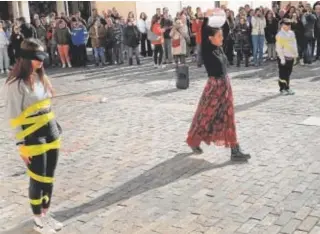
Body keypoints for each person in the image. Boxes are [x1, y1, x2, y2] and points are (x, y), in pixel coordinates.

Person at [4, 38, 63, 234]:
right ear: (26, 59)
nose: (41, 62)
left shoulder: (40, 76)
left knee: (49, 178)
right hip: (32, 136)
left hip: (51, 131)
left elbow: (47, 103)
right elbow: (13, 116)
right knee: (37, 178)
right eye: (37, 59)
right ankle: (38, 220)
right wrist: (20, 145)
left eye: (42, 57)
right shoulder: (15, 84)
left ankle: (45, 215)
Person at [186, 9, 251, 161]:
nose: (222, 38)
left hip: (225, 85)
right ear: (210, 38)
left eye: (222, 35)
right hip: (214, 87)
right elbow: (203, 31)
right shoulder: (208, 50)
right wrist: (207, 18)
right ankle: (193, 140)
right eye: (219, 36)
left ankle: (235, 150)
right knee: (205, 116)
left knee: (229, 117)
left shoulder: (220, 47)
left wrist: (226, 17)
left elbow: (226, 31)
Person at [276, 18, 298, 95]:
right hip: (284, 57)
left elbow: (294, 44)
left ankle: (287, 87)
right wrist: (282, 59)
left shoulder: (291, 33)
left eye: (289, 24)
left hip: (291, 56)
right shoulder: (279, 35)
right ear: (282, 25)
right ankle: (282, 88)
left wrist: (295, 55)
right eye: (287, 24)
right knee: (283, 74)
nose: (289, 26)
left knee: (288, 74)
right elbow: (278, 48)